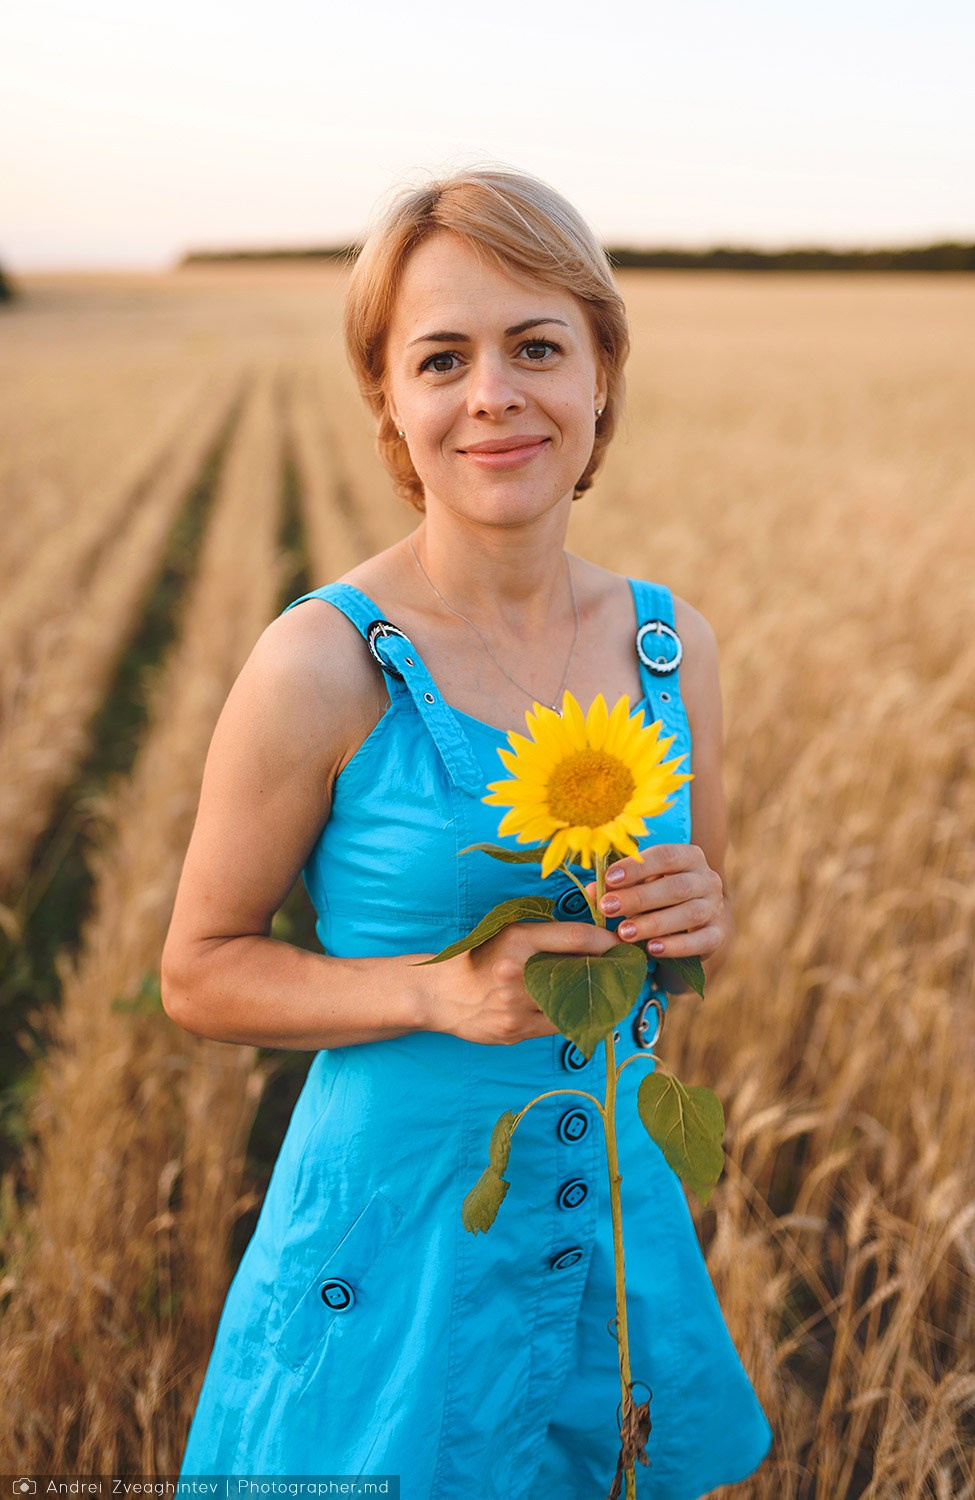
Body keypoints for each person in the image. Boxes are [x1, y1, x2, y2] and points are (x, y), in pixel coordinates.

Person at [163, 166, 773, 1498]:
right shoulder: (321, 664)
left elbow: (688, 947)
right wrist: (437, 993)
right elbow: (198, 969)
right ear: (388, 397)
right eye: (442, 357)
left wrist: (697, 922)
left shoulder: (671, 648)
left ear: (600, 372)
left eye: (537, 346)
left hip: (606, 1238)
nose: (494, 392)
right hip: (389, 1261)